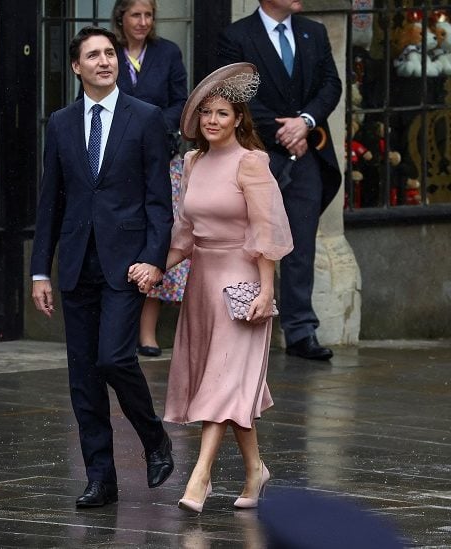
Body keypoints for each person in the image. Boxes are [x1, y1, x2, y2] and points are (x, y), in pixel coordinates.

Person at [30, 26, 175, 509]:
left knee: (113, 357)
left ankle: (154, 439)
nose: (104, 61)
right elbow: (50, 201)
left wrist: (155, 259)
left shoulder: (146, 118)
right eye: (93, 55)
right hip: (76, 264)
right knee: (83, 378)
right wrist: (39, 272)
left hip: (127, 264)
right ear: (77, 67)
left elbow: (160, 200)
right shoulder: (62, 122)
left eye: (110, 53)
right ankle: (100, 478)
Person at [152, 62, 293, 513]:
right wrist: (155, 268)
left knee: (222, 383)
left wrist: (267, 291)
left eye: (222, 114)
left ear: (238, 120)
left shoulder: (251, 164)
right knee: (225, 385)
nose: (212, 121)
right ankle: (256, 469)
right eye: (206, 113)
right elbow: (185, 235)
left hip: (244, 284)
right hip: (201, 286)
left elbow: (267, 234)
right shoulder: (192, 163)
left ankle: (200, 478)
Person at [216, 0, 342, 361]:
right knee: (252, 242)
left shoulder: (313, 33)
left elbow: (331, 85)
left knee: (302, 242)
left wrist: (305, 121)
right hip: (258, 156)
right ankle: (245, 321)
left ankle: (301, 331)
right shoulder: (237, 37)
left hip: (306, 155)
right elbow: (237, 95)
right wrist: (284, 131)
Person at [110, 0, 191, 356]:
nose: (143, 22)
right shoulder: (108, 52)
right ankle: (119, 330)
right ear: (121, 18)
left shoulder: (167, 53)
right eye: (135, 15)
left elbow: (181, 102)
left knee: (158, 235)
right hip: (117, 159)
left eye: (148, 16)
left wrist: (149, 124)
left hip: (161, 156)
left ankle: (148, 333)